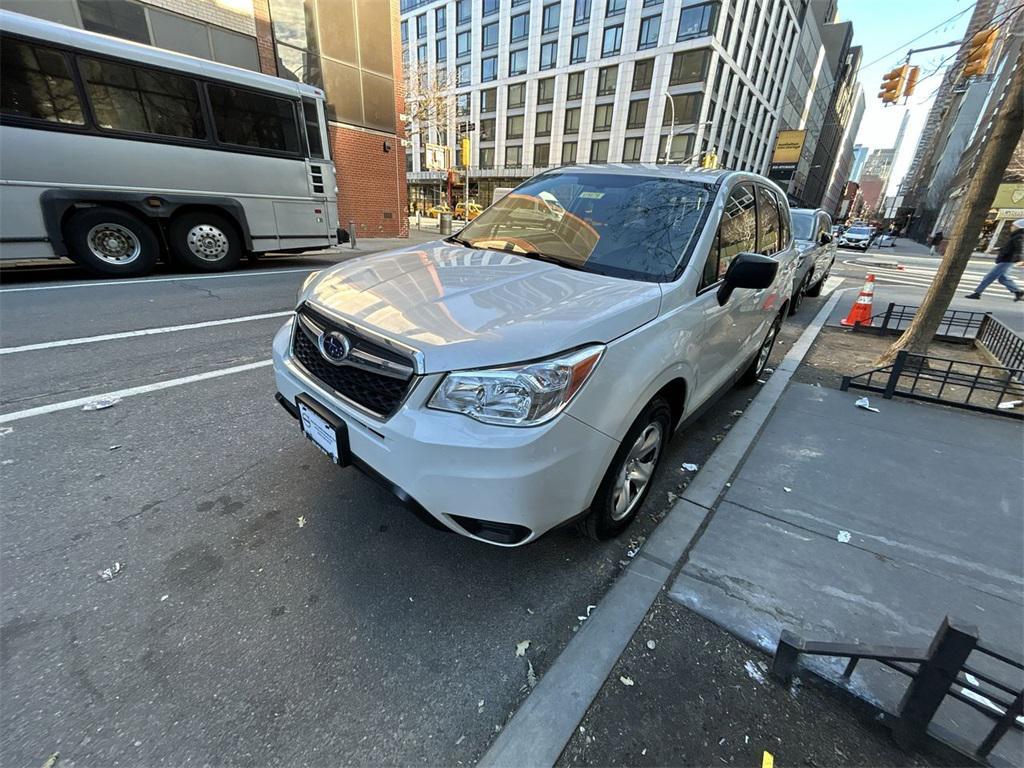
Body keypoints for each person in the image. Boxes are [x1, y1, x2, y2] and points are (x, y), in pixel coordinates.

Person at [966, 219, 1024, 301]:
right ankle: (1018, 292)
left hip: (1007, 260)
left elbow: (1019, 248)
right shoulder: (1016, 236)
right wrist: (1000, 249)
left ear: (1018, 227)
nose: (1011, 227)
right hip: (1007, 259)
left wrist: (1020, 259)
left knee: (989, 276)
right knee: (1003, 278)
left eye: (1013, 226)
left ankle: (977, 293)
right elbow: (1011, 247)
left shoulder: (1018, 236)